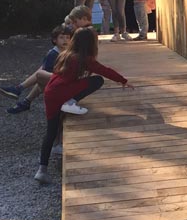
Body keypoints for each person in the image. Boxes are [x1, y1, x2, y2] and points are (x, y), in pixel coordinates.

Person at [34, 27, 133, 184]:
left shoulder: (65, 55)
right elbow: (104, 70)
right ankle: (70, 102)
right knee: (97, 80)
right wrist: (123, 80)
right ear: (90, 43)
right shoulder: (84, 59)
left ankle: (42, 170)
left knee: (50, 131)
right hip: (62, 92)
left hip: (50, 93)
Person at [0, 24, 73, 114]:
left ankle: (19, 91)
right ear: (54, 40)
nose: (65, 40)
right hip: (61, 81)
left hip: (68, 83)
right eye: (62, 38)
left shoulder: (68, 51)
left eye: (67, 38)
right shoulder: (53, 54)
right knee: (41, 75)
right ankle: (24, 99)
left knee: (39, 75)